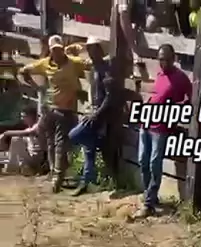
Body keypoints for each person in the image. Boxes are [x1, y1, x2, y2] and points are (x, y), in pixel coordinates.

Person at [20, 35, 90, 192]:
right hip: (50, 108)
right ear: (51, 51)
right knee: (51, 142)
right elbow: (24, 70)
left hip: (66, 109)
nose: (57, 52)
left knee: (60, 144)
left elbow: (89, 64)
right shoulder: (45, 64)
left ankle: (57, 178)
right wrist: (37, 87)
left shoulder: (73, 62)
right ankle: (54, 174)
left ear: (62, 49)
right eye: (54, 50)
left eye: (59, 49)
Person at [134, 43, 191, 219]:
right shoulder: (159, 74)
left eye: (166, 59)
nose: (163, 63)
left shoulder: (180, 78)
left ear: (173, 59)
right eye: (160, 59)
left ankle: (149, 203)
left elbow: (191, 98)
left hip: (161, 127)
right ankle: (150, 196)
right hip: (146, 123)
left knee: (154, 163)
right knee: (142, 160)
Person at [68, 39, 123, 196]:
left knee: (74, 135)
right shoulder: (95, 68)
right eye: (89, 49)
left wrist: (96, 114)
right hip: (93, 111)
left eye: (93, 49)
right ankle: (87, 182)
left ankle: (94, 178)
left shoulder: (105, 69)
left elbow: (110, 96)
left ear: (99, 50)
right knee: (89, 150)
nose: (90, 52)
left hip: (101, 115)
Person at [0, 104, 46, 174]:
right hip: (30, 156)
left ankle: (13, 168)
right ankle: (18, 167)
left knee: (16, 139)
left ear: (31, 116)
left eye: (24, 116)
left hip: (37, 158)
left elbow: (29, 132)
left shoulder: (37, 126)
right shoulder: (29, 128)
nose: (22, 118)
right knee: (18, 139)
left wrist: (6, 133)